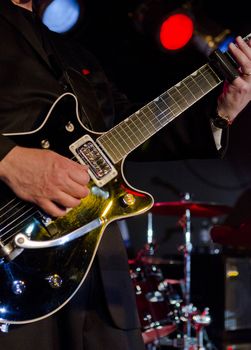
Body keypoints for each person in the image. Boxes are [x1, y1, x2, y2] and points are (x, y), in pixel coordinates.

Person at [0, 0, 251, 349]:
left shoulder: (75, 56)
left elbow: (129, 130)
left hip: (101, 268)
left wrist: (221, 111)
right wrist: (8, 162)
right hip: (15, 262)